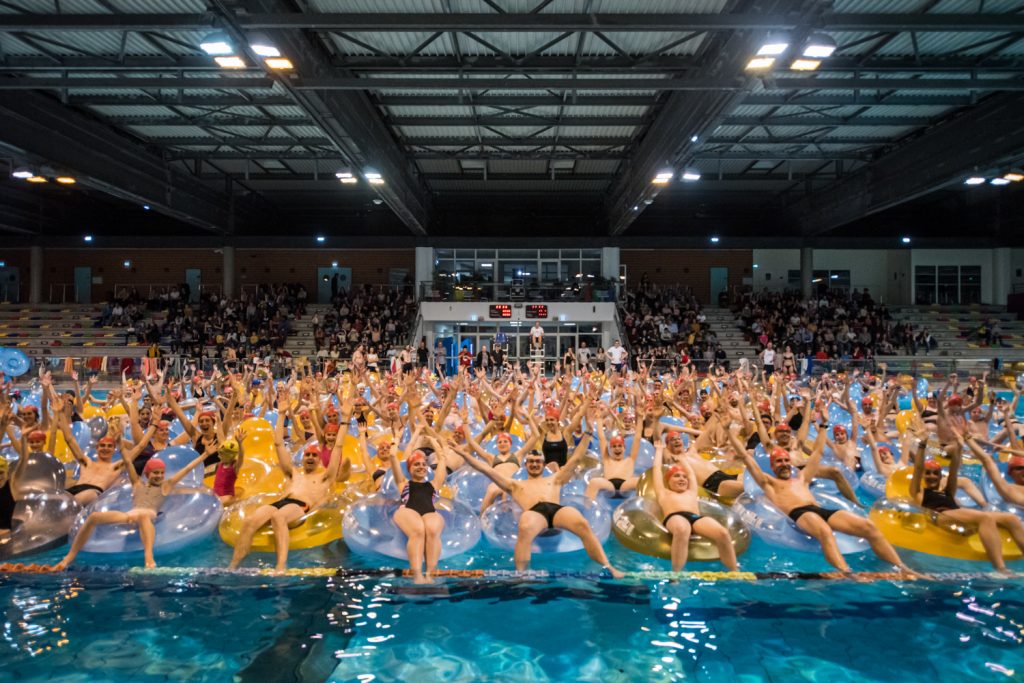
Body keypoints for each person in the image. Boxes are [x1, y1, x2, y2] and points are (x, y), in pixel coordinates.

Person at [736, 423, 913, 574]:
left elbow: (818, 452)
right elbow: (745, 457)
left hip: (820, 509)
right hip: (799, 513)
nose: (783, 464)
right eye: (779, 462)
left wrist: (823, 426)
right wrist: (729, 430)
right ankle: (846, 573)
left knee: (869, 527)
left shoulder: (802, 478)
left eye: (785, 460)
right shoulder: (769, 483)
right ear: (772, 466)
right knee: (825, 532)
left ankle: (902, 568)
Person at [460, 430, 625, 578]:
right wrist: (464, 454)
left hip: (557, 510)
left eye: (538, 461)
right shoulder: (515, 484)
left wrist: (588, 432)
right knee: (525, 526)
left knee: (582, 523)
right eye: (531, 461)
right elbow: (485, 469)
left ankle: (608, 567)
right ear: (525, 465)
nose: (534, 464)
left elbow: (576, 458)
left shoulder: (554, 478)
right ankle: (522, 575)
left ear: (543, 464)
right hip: (535, 513)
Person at [228, 399, 348, 573]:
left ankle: (280, 566)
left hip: (300, 505)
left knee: (278, 518)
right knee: (249, 521)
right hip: (281, 501)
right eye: (307, 455)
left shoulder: (325, 476)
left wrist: (344, 419)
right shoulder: (294, 472)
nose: (310, 457)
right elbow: (278, 444)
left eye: (314, 455)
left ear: (319, 459)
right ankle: (233, 565)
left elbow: (338, 446)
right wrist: (281, 415)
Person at [55, 448, 206, 570]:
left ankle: (149, 559)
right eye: (155, 472)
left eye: (161, 473)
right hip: (129, 515)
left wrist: (205, 454)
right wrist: (119, 439)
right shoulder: (138, 484)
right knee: (94, 517)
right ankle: (69, 557)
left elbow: (186, 469)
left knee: (144, 517)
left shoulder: (165, 486)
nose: (159, 476)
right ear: (147, 473)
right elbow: (128, 461)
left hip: (148, 515)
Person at [911, 430, 1024, 573]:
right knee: (985, 517)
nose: (931, 476)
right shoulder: (918, 492)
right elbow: (918, 468)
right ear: (922, 475)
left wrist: (959, 445)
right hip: (941, 516)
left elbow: (954, 468)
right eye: (928, 473)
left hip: (957, 513)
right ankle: (1000, 569)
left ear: (940, 476)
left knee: (1011, 518)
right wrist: (922, 446)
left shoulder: (947, 491)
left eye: (935, 473)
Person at [651, 441, 738, 572]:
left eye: (684, 477)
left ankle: (734, 570)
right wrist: (659, 450)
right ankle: (676, 574)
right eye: (676, 476)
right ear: (668, 481)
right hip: (675, 517)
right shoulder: (663, 492)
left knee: (723, 532)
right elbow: (657, 470)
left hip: (696, 518)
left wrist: (682, 458)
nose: (682, 479)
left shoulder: (691, 491)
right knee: (682, 529)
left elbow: (691, 473)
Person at [390, 433, 448, 583]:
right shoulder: (403, 483)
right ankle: (417, 575)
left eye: (423, 464)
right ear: (409, 469)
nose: (421, 467)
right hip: (408, 510)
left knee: (432, 530)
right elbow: (392, 457)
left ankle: (430, 573)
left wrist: (433, 440)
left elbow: (442, 459)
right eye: (416, 464)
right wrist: (396, 439)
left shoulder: (434, 484)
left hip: (430, 511)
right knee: (418, 530)